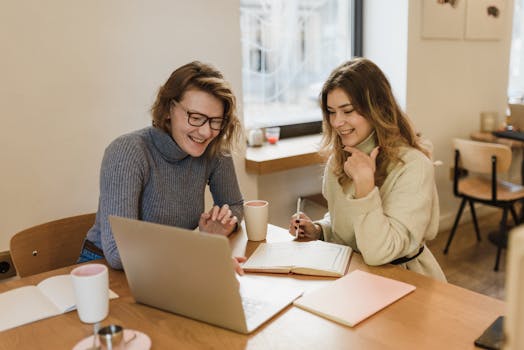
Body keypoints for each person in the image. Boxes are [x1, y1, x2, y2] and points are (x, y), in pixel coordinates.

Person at [79, 61, 245, 272]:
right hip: (103, 267)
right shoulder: (128, 151)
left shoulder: (213, 149)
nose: (206, 132)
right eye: (195, 118)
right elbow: (118, 252)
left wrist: (223, 225)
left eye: (215, 121)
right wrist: (200, 253)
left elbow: (234, 204)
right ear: (168, 109)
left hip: (164, 266)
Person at [289, 57, 446, 282]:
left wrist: (365, 187)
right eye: (331, 112)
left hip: (404, 280)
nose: (336, 122)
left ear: (377, 108)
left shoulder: (413, 166)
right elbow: (345, 223)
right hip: (352, 273)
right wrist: (319, 230)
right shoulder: (339, 159)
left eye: (348, 110)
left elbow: (379, 252)